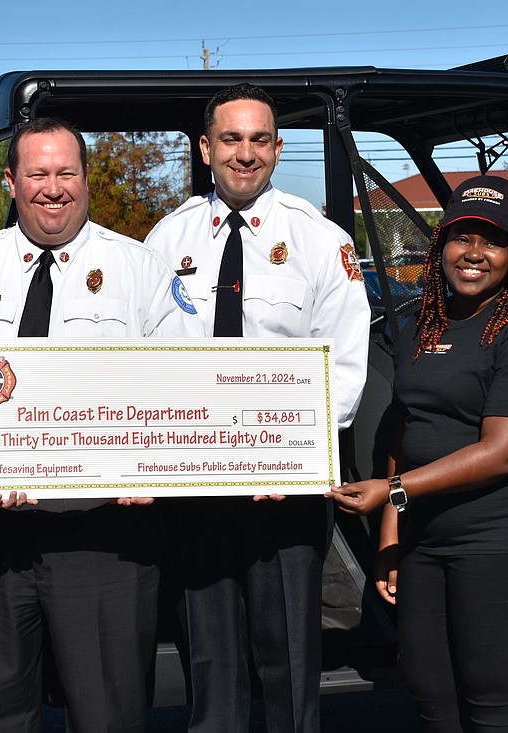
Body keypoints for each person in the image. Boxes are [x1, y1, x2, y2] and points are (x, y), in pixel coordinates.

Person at [0, 116, 204, 732]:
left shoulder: (141, 270)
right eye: (37, 173)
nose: (52, 188)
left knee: (107, 712)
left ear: (85, 178)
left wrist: (160, 472)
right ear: (10, 182)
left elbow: (185, 385)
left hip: (105, 536)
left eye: (66, 172)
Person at [143, 83, 370, 733]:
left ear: (278, 146)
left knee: (290, 665)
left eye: (260, 139)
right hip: (196, 487)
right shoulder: (169, 237)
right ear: (206, 147)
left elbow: (345, 368)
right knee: (211, 667)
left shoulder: (319, 239)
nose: (246, 153)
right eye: (232, 139)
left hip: (287, 491)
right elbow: (146, 353)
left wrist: (291, 460)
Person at [326, 175, 508, 733]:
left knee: (493, 703)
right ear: (441, 246)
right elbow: (404, 428)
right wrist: (391, 531)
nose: (474, 254)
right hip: (425, 535)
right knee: (430, 692)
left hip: (507, 535)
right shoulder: (421, 324)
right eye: (462, 237)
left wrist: (392, 493)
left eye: (491, 241)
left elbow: (504, 453)